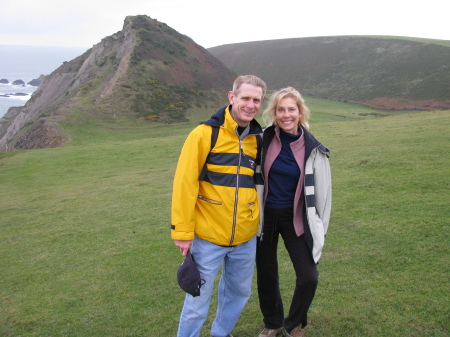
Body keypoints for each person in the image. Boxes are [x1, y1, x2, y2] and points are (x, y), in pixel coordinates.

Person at [171, 75, 267, 337]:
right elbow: (184, 183)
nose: (251, 105)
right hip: (208, 237)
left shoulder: (257, 139)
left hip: (245, 238)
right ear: (231, 97)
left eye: (256, 100)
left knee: (238, 294)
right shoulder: (203, 134)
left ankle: (220, 334)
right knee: (196, 301)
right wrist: (182, 231)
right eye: (245, 98)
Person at [255, 87, 332, 337]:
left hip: (295, 218)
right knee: (266, 272)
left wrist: (319, 227)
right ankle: (273, 323)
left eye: (291, 109)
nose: (286, 115)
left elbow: (324, 196)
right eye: (281, 109)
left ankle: (293, 324)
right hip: (264, 217)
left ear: (300, 112)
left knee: (308, 276)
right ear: (274, 113)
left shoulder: (314, 149)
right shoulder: (263, 138)